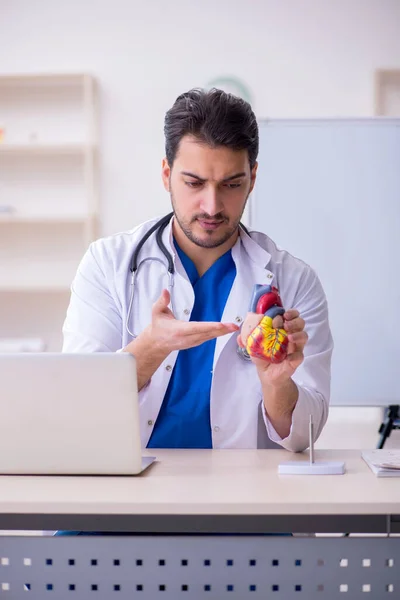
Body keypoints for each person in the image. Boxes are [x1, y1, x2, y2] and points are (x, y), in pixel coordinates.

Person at [63, 88, 333, 452]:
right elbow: (76, 409)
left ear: (252, 178)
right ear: (166, 174)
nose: (211, 205)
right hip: (132, 495)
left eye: (231, 184)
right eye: (194, 183)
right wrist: (150, 348)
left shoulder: (295, 281)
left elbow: (305, 437)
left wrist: (276, 383)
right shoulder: (107, 264)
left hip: (242, 496)